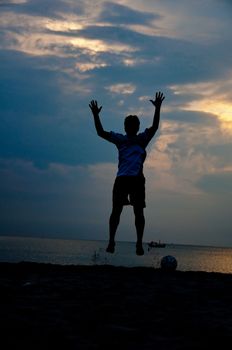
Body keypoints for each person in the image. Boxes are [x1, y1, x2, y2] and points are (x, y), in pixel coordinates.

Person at [89, 92, 165, 255]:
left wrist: (158, 108)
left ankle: (138, 243)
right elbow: (101, 132)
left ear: (136, 127)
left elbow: (155, 126)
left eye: (132, 125)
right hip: (123, 179)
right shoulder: (121, 139)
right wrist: (95, 115)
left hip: (135, 180)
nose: (130, 127)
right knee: (117, 211)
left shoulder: (142, 139)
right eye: (128, 125)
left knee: (137, 212)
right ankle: (112, 241)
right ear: (126, 127)